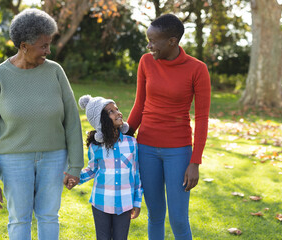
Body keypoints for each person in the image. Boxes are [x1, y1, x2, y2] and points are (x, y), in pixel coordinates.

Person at [0, 8, 84, 240]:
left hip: (54, 157)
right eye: (43, 45)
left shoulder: (55, 71)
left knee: (49, 217)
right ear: (24, 46)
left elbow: (72, 121)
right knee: (19, 219)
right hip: (13, 160)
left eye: (49, 44)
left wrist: (75, 165)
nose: (48, 50)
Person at [127, 14, 211, 240]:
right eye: (148, 40)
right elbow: (139, 105)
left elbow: (202, 118)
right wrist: (123, 134)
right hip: (146, 148)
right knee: (155, 215)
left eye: (153, 41)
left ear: (172, 41)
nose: (149, 45)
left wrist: (195, 161)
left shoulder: (197, 69)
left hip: (178, 151)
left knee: (178, 219)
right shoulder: (146, 62)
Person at [75, 95, 142, 240]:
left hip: (125, 203)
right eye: (111, 111)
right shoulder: (95, 147)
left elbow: (136, 174)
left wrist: (137, 202)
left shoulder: (132, 143)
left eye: (116, 109)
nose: (118, 112)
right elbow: (92, 170)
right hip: (101, 202)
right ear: (101, 120)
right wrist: (75, 177)